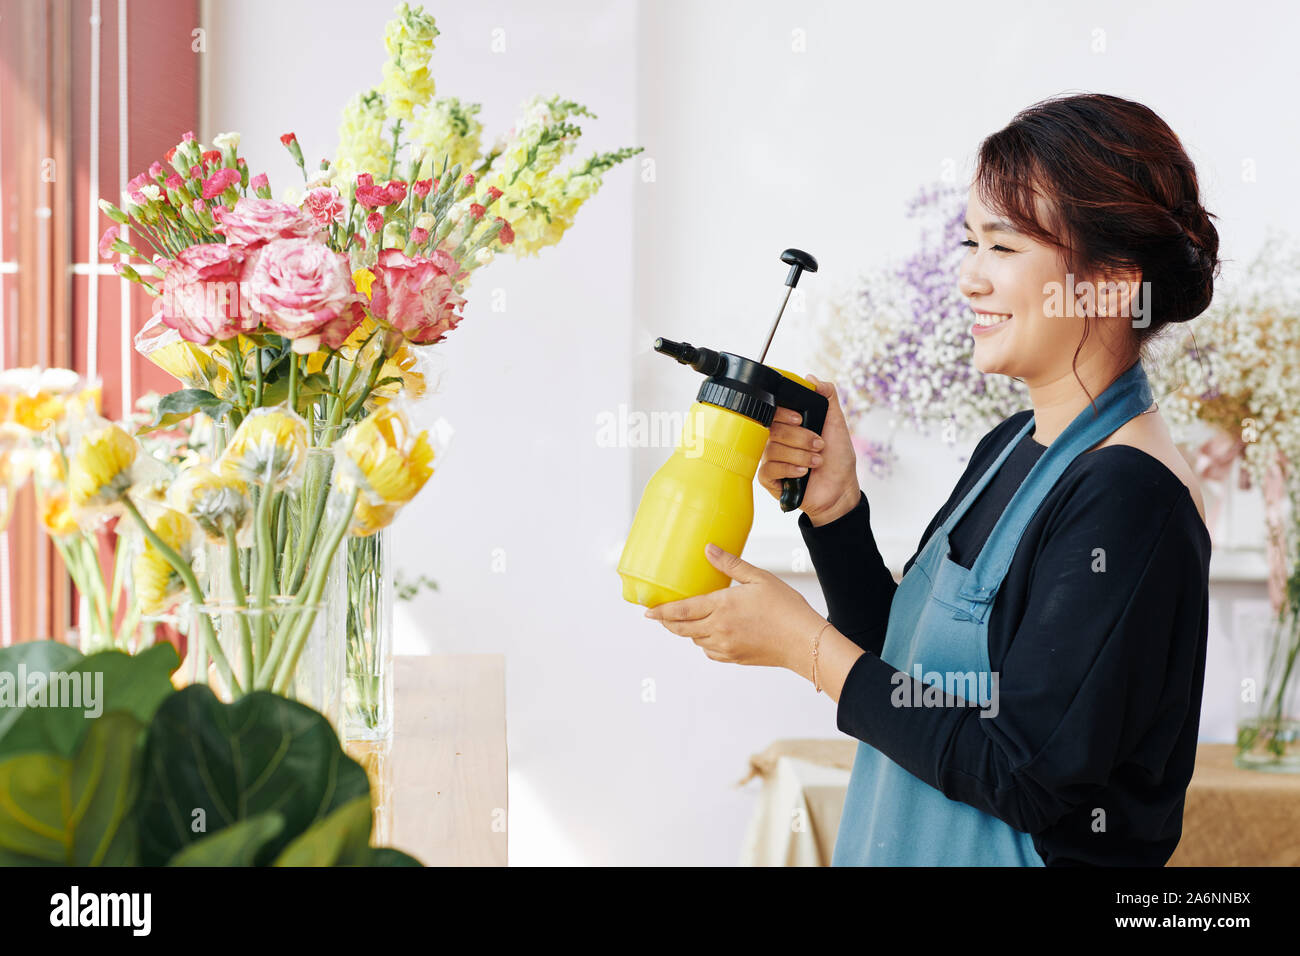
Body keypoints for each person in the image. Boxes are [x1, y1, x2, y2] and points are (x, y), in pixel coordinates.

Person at [644, 92, 1219, 866]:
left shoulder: (1129, 502)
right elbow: (906, 675)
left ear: (1112, 284)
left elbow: (1023, 773)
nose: (969, 280)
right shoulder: (1011, 445)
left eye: (1003, 248)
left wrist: (801, 646)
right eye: (968, 243)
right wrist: (836, 510)